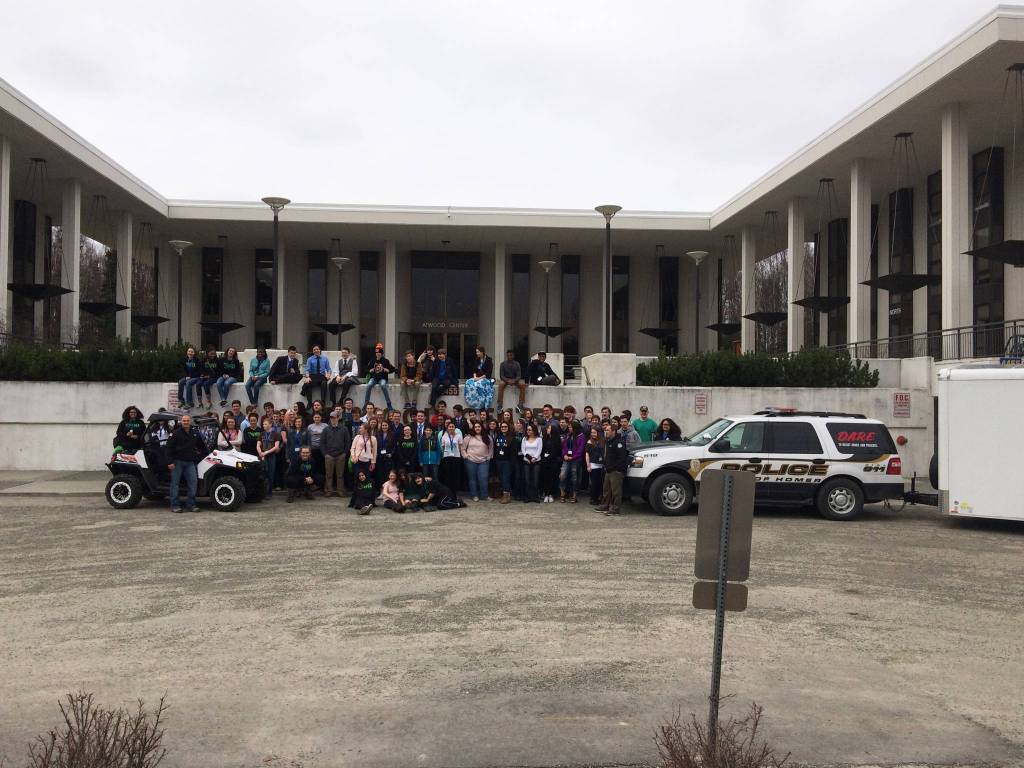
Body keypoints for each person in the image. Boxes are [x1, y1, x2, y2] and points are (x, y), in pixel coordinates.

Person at [166, 413, 207, 513]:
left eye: (187, 421)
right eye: (184, 421)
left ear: (190, 422)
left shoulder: (195, 433)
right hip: (177, 462)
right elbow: (168, 448)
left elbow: (202, 446)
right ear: (181, 422)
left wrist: (205, 455)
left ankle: (191, 505)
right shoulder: (175, 433)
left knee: (193, 483)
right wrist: (170, 462)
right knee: (175, 484)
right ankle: (175, 506)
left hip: (190, 463)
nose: (186, 422)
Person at [595, 422, 630, 516]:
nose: (605, 432)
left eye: (607, 430)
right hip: (608, 469)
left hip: (616, 471)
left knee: (616, 491)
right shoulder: (608, 441)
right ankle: (605, 506)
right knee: (606, 490)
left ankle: (615, 508)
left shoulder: (619, 442)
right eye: (605, 430)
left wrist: (617, 469)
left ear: (613, 431)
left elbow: (622, 458)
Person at [322, 410, 352, 497]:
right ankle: (328, 491)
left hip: (340, 456)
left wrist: (344, 453)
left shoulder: (344, 429)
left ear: (338, 418)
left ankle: (340, 491)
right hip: (329, 456)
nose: (333, 419)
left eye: (334, 417)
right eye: (331, 417)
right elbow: (322, 443)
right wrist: (325, 454)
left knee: (340, 475)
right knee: (328, 474)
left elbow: (348, 442)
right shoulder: (326, 429)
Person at [461, 421, 492, 502]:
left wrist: (488, 458)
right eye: (475, 427)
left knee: (483, 478)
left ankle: (484, 496)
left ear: (481, 428)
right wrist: (465, 456)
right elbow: (463, 448)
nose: (477, 428)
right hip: (470, 461)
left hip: (484, 461)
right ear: (473, 428)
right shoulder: (468, 437)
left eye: (479, 427)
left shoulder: (487, 437)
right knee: (472, 479)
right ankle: (474, 495)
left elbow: (491, 449)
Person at [559, 420, 586, 503]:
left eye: (571, 427)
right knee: (562, 475)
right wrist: (564, 455)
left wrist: (573, 457)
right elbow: (564, 447)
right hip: (566, 458)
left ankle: (574, 495)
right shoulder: (568, 435)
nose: (569, 428)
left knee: (574, 478)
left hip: (576, 460)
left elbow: (580, 450)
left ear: (575, 428)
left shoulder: (581, 436)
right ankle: (562, 493)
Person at [363, 343, 395, 409]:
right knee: (369, 385)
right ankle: (366, 403)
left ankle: (389, 404)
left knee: (383, 385)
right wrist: (369, 370)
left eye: (379, 353)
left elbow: (393, 369)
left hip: (382, 378)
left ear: (382, 353)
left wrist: (388, 370)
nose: (378, 354)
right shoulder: (372, 360)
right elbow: (366, 369)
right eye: (376, 353)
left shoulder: (386, 361)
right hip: (374, 378)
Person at [257, 415, 281, 500]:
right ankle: (262, 492)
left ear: (270, 424)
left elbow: (276, 447)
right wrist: (260, 452)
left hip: (271, 456)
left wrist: (266, 452)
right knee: (263, 474)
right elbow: (258, 445)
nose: (264, 426)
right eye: (263, 424)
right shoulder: (261, 434)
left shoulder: (276, 434)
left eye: (266, 424)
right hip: (262, 456)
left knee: (271, 474)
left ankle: (269, 493)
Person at [464, 345, 494, 410]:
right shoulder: (477, 359)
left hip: (485, 378)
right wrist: (475, 377)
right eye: (476, 352)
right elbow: (474, 370)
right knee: (468, 382)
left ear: (482, 352)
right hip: (477, 377)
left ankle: (480, 403)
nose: (477, 353)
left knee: (479, 384)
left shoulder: (489, 360)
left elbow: (488, 373)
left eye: (478, 352)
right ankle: (471, 401)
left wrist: (479, 378)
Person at [493, 421, 516, 504]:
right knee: (501, 478)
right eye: (502, 427)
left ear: (508, 428)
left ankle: (507, 496)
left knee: (506, 478)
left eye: (505, 427)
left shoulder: (512, 438)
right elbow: (495, 449)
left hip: (507, 462)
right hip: (499, 461)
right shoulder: (498, 437)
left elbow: (513, 453)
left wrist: (512, 463)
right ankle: (504, 493)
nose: (504, 428)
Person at [520, 423, 543, 503]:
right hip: (526, 461)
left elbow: (539, 450)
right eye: (527, 430)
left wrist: (534, 458)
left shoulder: (539, 439)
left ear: (534, 430)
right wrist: (528, 458)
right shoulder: (524, 438)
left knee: (535, 480)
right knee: (527, 480)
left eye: (530, 430)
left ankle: (535, 496)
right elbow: (523, 450)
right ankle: (527, 497)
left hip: (536, 461)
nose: (528, 431)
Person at [439, 420, 464, 495]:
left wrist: (459, 455)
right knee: (448, 475)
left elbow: (460, 447)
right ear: (447, 428)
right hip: (447, 458)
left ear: (455, 428)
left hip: (456, 457)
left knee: (455, 475)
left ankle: (454, 492)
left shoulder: (458, 436)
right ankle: (448, 491)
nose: (451, 428)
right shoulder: (444, 436)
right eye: (450, 426)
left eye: (453, 426)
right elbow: (443, 447)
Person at [540, 422, 562, 503]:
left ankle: (551, 494)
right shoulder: (544, 438)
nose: (547, 429)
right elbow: (542, 449)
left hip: (553, 461)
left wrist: (550, 456)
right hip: (545, 461)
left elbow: (558, 451)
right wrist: (544, 456)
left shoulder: (557, 439)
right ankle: (546, 494)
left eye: (549, 428)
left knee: (552, 478)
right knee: (545, 478)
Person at [585, 426, 605, 505]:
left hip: (602, 465)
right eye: (592, 433)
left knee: (601, 483)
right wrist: (588, 465)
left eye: (594, 432)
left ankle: (600, 498)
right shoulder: (589, 442)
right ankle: (593, 499)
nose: (593, 434)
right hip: (593, 465)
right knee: (594, 483)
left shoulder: (603, 441)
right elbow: (587, 454)